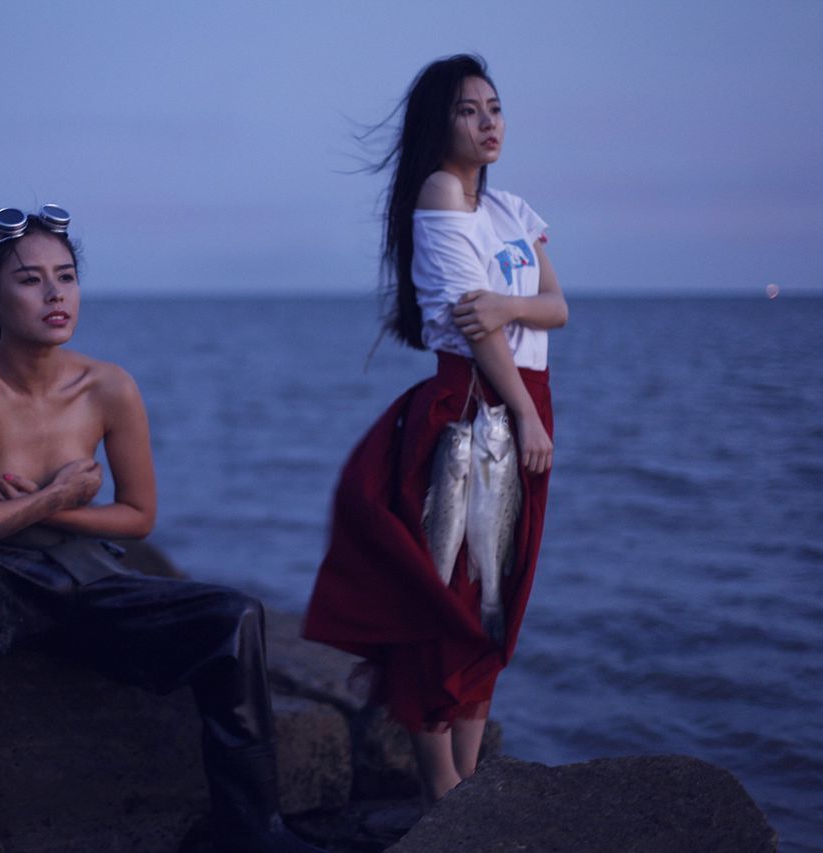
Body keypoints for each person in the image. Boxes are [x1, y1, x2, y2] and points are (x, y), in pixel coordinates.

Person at [0, 205, 321, 852]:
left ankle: (254, 827)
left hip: (86, 583)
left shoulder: (109, 386)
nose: (55, 293)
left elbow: (138, 516)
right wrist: (53, 494)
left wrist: (54, 507)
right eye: (30, 280)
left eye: (67, 276)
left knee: (236, 617)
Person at [302, 54, 568, 809]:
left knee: (496, 593)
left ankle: (470, 785)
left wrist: (513, 309)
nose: (488, 122)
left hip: (523, 404)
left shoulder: (513, 210)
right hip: (474, 411)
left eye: (494, 107)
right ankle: (441, 788)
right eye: (467, 110)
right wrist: (519, 411)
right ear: (438, 125)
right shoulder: (441, 191)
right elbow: (469, 323)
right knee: (442, 593)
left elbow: (556, 307)